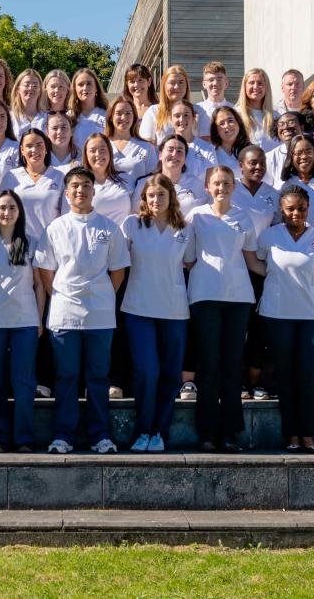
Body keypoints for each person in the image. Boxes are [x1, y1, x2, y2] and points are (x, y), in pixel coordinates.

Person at [33, 166, 130, 454]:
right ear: (66, 192)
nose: (80, 190)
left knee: (98, 378)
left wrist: (98, 297)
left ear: (93, 190)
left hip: (100, 316)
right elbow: (45, 272)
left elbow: (118, 272)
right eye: (74, 186)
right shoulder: (55, 228)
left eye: (86, 185)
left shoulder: (109, 228)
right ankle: (64, 435)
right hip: (64, 315)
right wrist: (64, 297)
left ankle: (100, 435)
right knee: (66, 377)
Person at [251, 185, 314, 452]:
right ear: (281, 210)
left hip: (313, 315)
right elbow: (254, 261)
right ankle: (292, 436)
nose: (296, 213)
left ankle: (308, 434)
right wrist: (276, 277)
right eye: (290, 208)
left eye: (302, 208)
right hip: (277, 314)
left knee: (309, 376)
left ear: (309, 208)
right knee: (285, 376)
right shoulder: (269, 236)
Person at [185, 166, 256, 452]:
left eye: (227, 183)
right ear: (206, 186)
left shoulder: (243, 217)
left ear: (234, 186)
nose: (221, 187)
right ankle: (206, 431)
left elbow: (252, 259)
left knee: (231, 365)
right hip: (204, 295)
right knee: (209, 364)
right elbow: (189, 258)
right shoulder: (195, 216)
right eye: (216, 183)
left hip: (238, 297)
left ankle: (229, 431)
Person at [120, 175, 192, 452]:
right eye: (151, 195)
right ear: (144, 198)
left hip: (174, 309)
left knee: (171, 374)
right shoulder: (132, 225)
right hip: (138, 308)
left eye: (161, 195)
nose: (155, 200)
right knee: (146, 371)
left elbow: (191, 262)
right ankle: (143, 430)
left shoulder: (185, 229)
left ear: (171, 197)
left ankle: (160, 431)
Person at [0, 191, 46, 452]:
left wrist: (39, 318)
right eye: (2, 208)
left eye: (12, 208)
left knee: (24, 382)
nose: (7, 213)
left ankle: (24, 439)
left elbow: (39, 284)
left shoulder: (32, 242)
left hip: (24, 320)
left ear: (19, 212)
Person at [1, 128, 65, 241]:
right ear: (22, 150)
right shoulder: (10, 177)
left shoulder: (59, 177)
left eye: (39, 145)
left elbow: (66, 216)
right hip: (19, 246)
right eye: (29, 146)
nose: (34, 150)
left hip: (51, 245)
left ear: (46, 148)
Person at [144, 134, 207, 216]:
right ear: (160, 155)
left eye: (179, 151)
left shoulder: (197, 185)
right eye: (170, 150)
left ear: (185, 157)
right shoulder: (145, 184)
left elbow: (203, 216)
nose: (174, 154)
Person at [80, 133, 134, 223]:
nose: (98, 154)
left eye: (102, 150)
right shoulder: (80, 184)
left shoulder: (125, 178)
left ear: (110, 152)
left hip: (122, 236)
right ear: (86, 155)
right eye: (93, 151)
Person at [106, 96, 157, 182]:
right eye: (118, 113)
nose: (123, 117)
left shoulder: (147, 147)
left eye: (128, 113)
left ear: (134, 117)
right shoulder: (103, 145)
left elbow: (153, 181)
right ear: (111, 117)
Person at [138, 64, 193, 142]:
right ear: (164, 86)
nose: (177, 87)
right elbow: (147, 146)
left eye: (181, 82)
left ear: (187, 86)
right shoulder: (153, 112)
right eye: (172, 83)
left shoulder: (196, 111)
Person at [236, 67, 277, 151]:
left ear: (266, 87)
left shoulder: (276, 116)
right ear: (245, 87)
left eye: (260, 83)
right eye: (251, 83)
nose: (256, 87)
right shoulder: (235, 115)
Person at [208, 106, 251, 179]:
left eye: (230, 121)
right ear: (216, 130)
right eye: (222, 123)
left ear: (238, 123)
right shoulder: (211, 154)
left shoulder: (251, 151)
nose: (227, 126)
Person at [69, 67, 109, 146]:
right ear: (75, 89)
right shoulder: (69, 116)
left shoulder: (108, 115)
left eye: (89, 84)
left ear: (96, 88)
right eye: (80, 85)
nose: (85, 88)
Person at [122, 63, 159, 134]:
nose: (136, 85)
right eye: (132, 81)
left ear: (149, 81)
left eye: (140, 80)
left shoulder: (159, 109)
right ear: (127, 84)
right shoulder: (123, 110)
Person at [9, 68, 46, 135]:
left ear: (40, 90)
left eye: (35, 85)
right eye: (26, 85)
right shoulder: (8, 117)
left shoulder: (47, 118)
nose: (31, 88)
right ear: (18, 89)